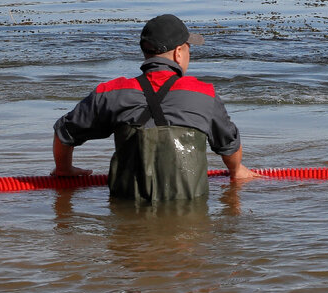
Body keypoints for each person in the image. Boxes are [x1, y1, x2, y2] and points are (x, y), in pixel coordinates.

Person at [52, 14, 256, 202]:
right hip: (188, 221)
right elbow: (229, 145)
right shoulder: (204, 94)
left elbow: (64, 132)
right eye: (188, 48)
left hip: (127, 212)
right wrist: (236, 170)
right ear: (178, 53)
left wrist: (64, 169)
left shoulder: (111, 92)